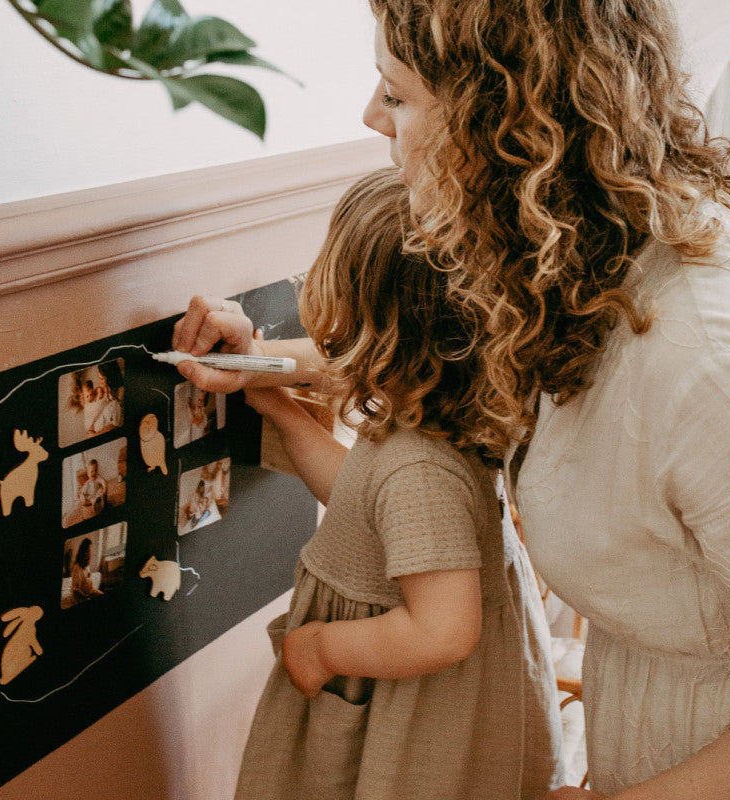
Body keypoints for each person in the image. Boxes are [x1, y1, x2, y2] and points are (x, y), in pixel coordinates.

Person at [171, 1, 730, 798]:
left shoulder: (715, 372)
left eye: (397, 96)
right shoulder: (595, 261)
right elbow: (449, 361)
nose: (369, 116)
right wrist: (261, 365)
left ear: (504, 126)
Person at [234, 168, 563, 799]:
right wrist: (280, 410)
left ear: (367, 324)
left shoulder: (419, 465)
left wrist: (321, 649)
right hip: (402, 699)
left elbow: (443, 629)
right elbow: (361, 508)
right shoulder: (429, 421)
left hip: (406, 724)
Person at [70, 537, 104, 603]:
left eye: (89, 551)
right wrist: (88, 596)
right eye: (85, 551)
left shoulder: (86, 563)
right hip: (82, 596)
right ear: (81, 551)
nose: (87, 553)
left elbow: (87, 576)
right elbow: (75, 591)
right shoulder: (77, 568)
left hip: (90, 591)